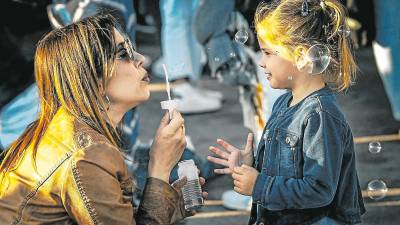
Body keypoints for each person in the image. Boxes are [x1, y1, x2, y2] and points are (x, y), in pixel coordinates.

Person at [0, 13, 206, 224]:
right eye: (124, 54)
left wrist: (168, 203)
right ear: (93, 80)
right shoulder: (87, 154)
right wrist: (160, 167)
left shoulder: (71, 129)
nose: (141, 58)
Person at [207, 0, 366, 224]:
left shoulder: (320, 116)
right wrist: (251, 165)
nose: (261, 62)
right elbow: (288, 169)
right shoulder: (283, 103)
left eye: (268, 53)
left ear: (302, 57)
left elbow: (319, 190)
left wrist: (259, 185)